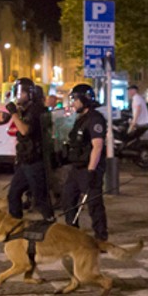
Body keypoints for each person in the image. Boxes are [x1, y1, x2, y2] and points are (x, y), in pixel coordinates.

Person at [61, 83, 108, 242]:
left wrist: (91, 171)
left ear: (84, 100)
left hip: (89, 166)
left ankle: (101, 237)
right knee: (68, 197)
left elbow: (98, 146)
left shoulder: (95, 119)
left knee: (94, 202)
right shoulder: (81, 119)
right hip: (77, 166)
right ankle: (72, 232)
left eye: (75, 99)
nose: (73, 102)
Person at [5, 78, 54, 222]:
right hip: (25, 160)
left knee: (40, 198)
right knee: (13, 194)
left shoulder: (35, 110)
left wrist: (14, 113)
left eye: (22, 93)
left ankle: (50, 222)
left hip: (35, 161)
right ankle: (15, 223)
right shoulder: (26, 110)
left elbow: (25, 130)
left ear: (30, 94)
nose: (18, 96)